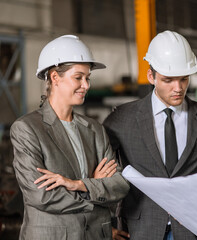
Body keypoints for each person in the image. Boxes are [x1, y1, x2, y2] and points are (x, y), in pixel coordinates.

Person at [103, 30, 197, 240]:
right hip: (139, 230)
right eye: (168, 80)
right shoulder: (121, 119)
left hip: (193, 228)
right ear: (151, 76)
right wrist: (103, 228)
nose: (178, 88)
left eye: (184, 79)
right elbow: (100, 176)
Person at [10, 35, 130, 240]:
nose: (86, 85)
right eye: (78, 77)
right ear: (55, 77)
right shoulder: (27, 129)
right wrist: (94, 186)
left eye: (88, 77)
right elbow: (42, 195)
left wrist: (78, 184)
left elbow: (120, 185)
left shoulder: (94, 129)